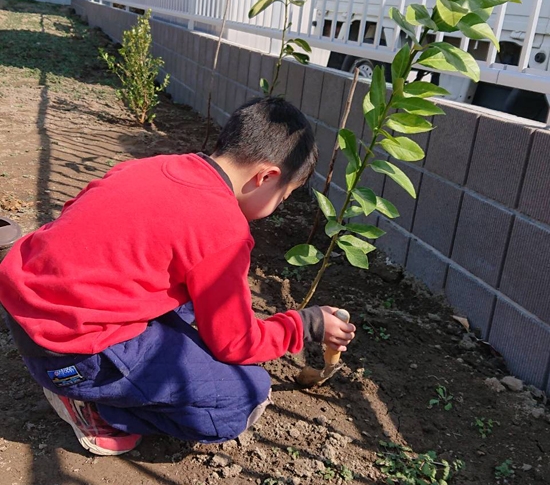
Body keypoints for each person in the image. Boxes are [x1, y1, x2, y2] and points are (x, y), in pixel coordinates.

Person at [0, 97, 356, 456]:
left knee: (191, 309)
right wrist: (306, 324)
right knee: (243, 398)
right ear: (266, 176)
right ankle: (95, 407)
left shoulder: (158, 166)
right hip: (70, 351)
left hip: (30, 311)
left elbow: (76, 221)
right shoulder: (223, 229)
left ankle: (93, 383)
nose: (278, 206)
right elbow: (235, 344)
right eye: (284, 197)